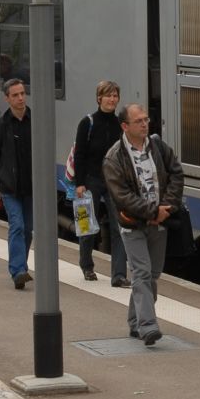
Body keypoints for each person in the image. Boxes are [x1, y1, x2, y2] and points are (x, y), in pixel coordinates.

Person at [101, 102, 184, 347]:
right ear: (125, 126)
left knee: (152, 274)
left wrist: (166, 208)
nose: (145, 124)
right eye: (139, 121)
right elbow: (122, 196)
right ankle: (148, 326)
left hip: (159, 221)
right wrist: (151, 212)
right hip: (132, 224)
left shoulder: (157, 146)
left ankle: (134, 321)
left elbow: (176, 173)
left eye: (146, 119)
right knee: (142, 272)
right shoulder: (113, 157)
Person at [73, 80, 128, 286]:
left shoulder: (120, 125)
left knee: (120, 227)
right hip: (90, 181)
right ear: (99, 98)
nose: (112, 99)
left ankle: (119, 275)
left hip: (113, 183)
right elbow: (80, 155)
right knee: (87, 226)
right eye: (108, 95)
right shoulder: (87, 123)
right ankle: (87, 266)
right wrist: (80, 183)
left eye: (115, 96)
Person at [0, 77, 35, 288]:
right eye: (15, 95)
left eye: (22, 93)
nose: (21, 98)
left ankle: (20, 265)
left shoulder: (36, 122)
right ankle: (18, 270)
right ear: (7, 99)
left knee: (28, 229)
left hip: (32, 186)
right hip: (9, 186)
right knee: (17, 226)